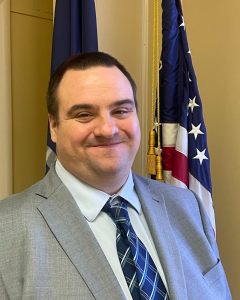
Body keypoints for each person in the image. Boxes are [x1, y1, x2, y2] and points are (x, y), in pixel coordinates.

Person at [0, 52, 231, 300]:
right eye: (84, 114)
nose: (108, 130)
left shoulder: (187, 206)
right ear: (54, 126)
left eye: (121, 111)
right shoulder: (7, 231)